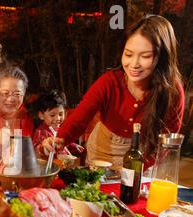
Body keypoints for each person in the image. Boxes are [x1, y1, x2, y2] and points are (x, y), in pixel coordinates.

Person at [42, 15, 185, 169]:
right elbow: (80, 117)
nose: (134, 64)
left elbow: (165, 142)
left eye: (145, 56)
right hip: (102, 152)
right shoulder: (110, 82)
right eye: (128, 54)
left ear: (162, 57)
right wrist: (60, 139)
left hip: (143, 157)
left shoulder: (172, 92)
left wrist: (139, 169)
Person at [30, 90, 84, 158]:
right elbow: (36, 150)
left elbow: (63, 142)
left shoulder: (60, 129)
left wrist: (74, 146)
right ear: (41, 115)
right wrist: (42, 149)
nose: (58, 118)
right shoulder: (40, 132)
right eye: (52, 115)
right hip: (51, 166)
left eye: (61, 114)